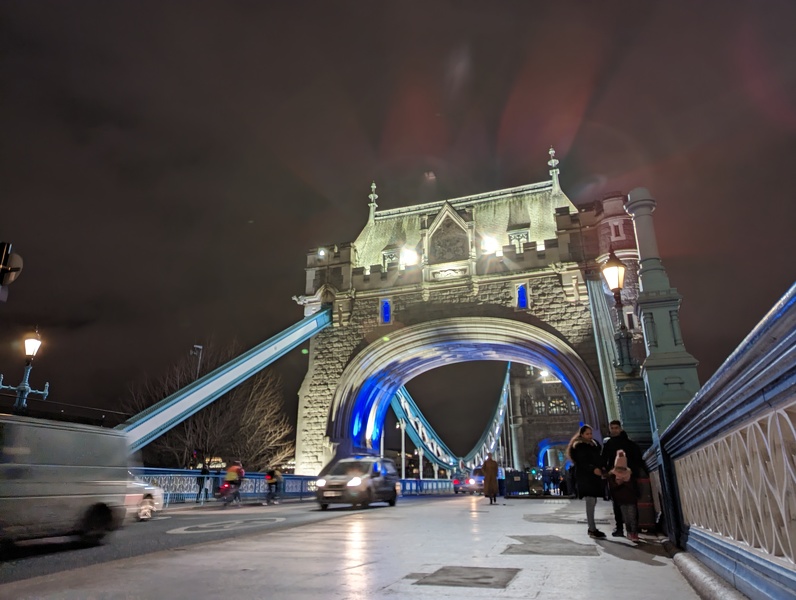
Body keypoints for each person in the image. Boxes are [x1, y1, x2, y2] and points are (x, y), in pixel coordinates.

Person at [602, 420, 644, 537]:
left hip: (620, 476)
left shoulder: (613, 445)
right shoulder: (629, 444)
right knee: (626, 502)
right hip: (624, 476)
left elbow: (604, 460)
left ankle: (625, 528)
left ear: (620, 428)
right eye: (612, 428)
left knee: (622, 502)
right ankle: (629, 529)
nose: (614, 430)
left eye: (616, 428)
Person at [566, 424, 607, 539]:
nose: (590, 436)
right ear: (582, 434)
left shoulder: (593, 445)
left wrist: (601, 468)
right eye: (587, 434)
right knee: (590, 501)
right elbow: (582, 462)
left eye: (590, 433)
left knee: (592, 502)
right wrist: (593, 469)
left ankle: (592, 527)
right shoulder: (580, 446)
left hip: (593, 477)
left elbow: (598, 458)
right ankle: (592, 528)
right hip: (586, 477)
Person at [607, 450, 639, 542]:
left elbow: (634, 487)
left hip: (630, 499)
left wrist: (623, 483)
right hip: (621, 500)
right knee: (626, 518)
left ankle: (634, 533)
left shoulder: (630, 475)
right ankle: (629, 532)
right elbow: (612, 487)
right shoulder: (612, 475)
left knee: (632, 517)